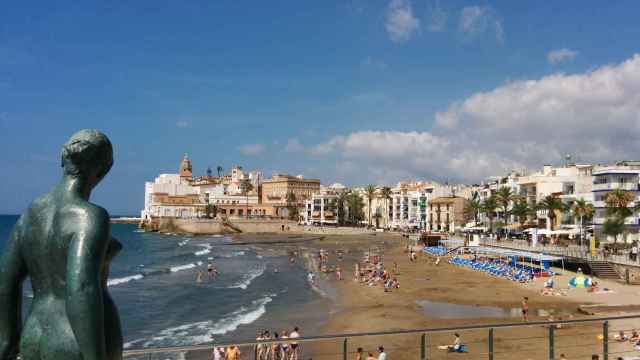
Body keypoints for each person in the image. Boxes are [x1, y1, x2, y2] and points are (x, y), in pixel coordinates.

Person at [0, 129, 123, 360]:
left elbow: (5, 282)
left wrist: (7, 340)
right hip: (73, 341)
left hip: (34, 335)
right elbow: (82, 288)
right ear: (104, 169)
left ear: (62, 158)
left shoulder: (30, 214)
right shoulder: (90, 217)